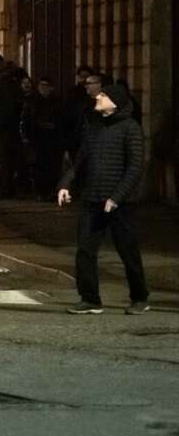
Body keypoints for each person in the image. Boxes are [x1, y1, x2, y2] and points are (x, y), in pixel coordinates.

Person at [57, 84, 149, 315]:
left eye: (104, 94)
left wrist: (116, 197)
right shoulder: (93, 126)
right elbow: (79, 162)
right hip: (92, 198)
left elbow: (135, 167)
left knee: (127, 251)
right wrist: (65, 185)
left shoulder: (130, 128)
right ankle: (90, 299)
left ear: (115, 102)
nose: (98, 96)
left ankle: (140, 298)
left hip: (120, 203)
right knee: (85, 250)